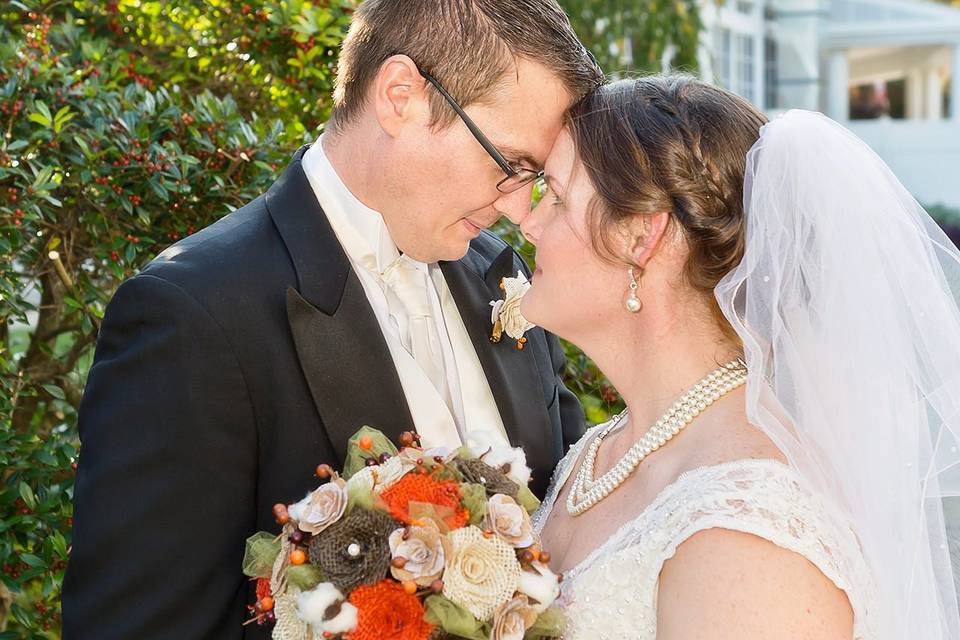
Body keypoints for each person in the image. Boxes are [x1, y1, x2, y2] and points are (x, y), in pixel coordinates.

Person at [62, 2, 599, 637]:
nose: (516, 206)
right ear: (401, 96)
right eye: (509, 164)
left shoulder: (501, 277)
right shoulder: (194, 316)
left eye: (535, 178)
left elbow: (573, 526)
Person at [526, 74, 960, 638]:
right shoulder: (598, 453)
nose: (528, 223)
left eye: (556, 199)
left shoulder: (751, 531)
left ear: (641, 238)